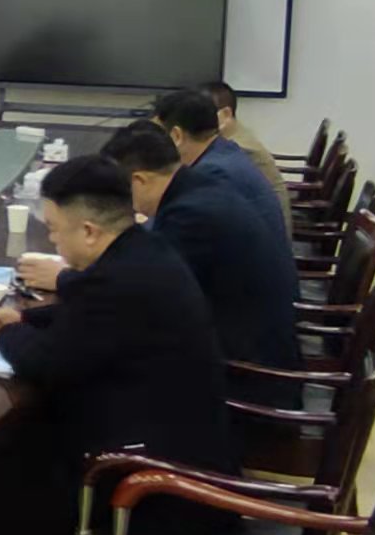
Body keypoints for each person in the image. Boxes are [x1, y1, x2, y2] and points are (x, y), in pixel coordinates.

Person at [0, 155, 238, 535]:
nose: (53, 240)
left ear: (89, 231)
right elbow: (86, 321)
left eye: (54, 229)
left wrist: (4, 333)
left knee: (13, 453)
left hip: (154, 480)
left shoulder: (115, 282)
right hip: (183, 440)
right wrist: (24, 318)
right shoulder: (144, 251)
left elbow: (46, 363)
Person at [98, 120, 302, 383]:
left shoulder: (191, 214)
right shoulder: (198, 187)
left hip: (247, 375)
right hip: (249, 345)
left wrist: (68, 276)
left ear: (139, 181)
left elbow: (145, 291)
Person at [153, 88, 291, 250]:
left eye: (158, 136)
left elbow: (178, 231)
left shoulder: (212, 172)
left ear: (176, 136)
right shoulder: (224, 151)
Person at [199, 79, 292, 229]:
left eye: (201, 115)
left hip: (268, 234)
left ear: (226, 114)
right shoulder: (236, 135)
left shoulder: (237, 150)